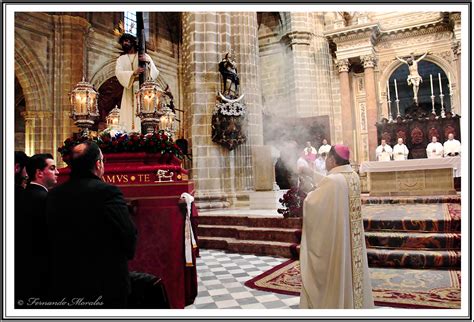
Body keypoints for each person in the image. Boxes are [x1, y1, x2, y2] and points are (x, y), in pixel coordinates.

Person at [46, 141, 137, 308]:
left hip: (65, 282)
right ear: (98, 164)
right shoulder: (108, 192)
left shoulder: (54, 195)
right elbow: (128, 234)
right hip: (105, 284)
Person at [299, 145, 374, 309]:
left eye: (327, 158)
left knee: (337, 274)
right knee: (351, 274)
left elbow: (313, 203)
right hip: (349, 241)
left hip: (338, 242)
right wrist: (311, 174)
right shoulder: (353, 176)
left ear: (332, 160)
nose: (325, 161)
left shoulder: (334, 181)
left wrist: (307, 195)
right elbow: (331, 184)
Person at [16, 153, 58, 304]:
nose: (57, 172)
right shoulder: (46, 200)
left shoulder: (19, 196)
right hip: (42, 273)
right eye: (52, 168)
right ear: (39, 173)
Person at [115, 33, 159, 133]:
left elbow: (155, 72)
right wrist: (133, 73)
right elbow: (118, 72)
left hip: (141, 88)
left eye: (127, 40)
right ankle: (128, 132)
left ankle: (141, 131)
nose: (125, 43)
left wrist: (148, 61)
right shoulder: (121, 59)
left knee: (142, 109)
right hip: (128, 87)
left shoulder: (143, 55)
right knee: (128, 110)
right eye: (123, 42)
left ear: (133, 42)